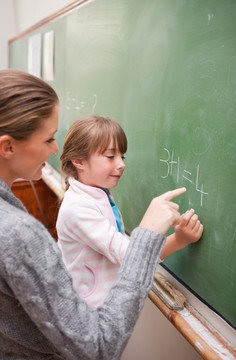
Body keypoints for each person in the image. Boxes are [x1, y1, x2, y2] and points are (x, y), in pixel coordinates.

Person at [0, 68, 199, 360]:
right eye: (48, 139)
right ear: (8, 146)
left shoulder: (98, 195)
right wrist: (149, 233)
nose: (56, 149)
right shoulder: (19, 233)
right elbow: (98, 348)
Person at [57, 116, 203, 306]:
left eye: (122, 156)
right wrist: (163, 230)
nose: (121, 164)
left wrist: (180, 239)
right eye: (111, 156)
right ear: (79, 161)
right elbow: (132, 258)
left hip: (105, 308)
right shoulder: (78, 209)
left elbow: (133, 255)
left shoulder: (99, 194)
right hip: (88, 314)